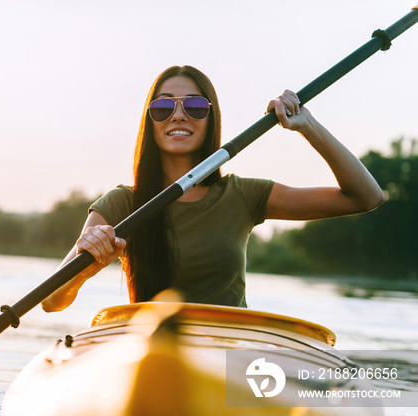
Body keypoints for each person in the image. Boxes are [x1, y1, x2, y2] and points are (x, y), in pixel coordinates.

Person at [41, 65, 384, 312]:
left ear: (211, 118)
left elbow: (366, 197)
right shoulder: (121, 204)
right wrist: (87, 267)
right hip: (155, 359)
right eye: (163, 107)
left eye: (194, 106)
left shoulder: (244, 197)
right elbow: (52, 301)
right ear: (151, 122)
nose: (178, 115)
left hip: (229, 354)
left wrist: (308, 125)